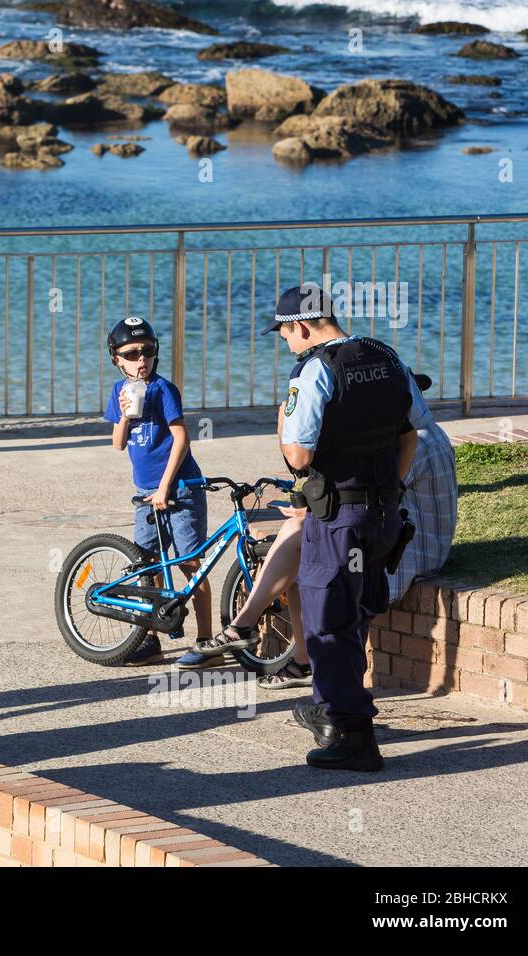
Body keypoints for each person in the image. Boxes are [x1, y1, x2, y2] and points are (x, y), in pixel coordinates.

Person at [185, 371, 456, 688]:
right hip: (392, 541)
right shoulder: (416, 434)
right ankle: (300, 661)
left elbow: (363, 498)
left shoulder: (416, 444)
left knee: (305, 535)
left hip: (408, 556)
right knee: (304, 545)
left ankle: (247, 625)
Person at [259, 285, 416, 772]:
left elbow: (299, 455)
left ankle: (352, 735)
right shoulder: (386, 357)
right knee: (356, 614)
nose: (286, 343)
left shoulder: (314, 370)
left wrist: (283, 422)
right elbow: (410, 434)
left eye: (284, 333)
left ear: (300, 326)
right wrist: (391, 487)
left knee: (328, 620)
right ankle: (334, 712)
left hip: (338, 519)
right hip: (382, 513)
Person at [103, 316, 212, 664]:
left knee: (191, 563)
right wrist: (123, 415)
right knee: (144, 562)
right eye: (131, 354)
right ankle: (149, 638)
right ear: (116, 359)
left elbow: (181, 438)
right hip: (145, 491)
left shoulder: (163, 389)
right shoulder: (119, 392)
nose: (141, 361)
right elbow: (118, 445)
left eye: (147, 352)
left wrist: (166, 487)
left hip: (179, 488)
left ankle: (206, 641)